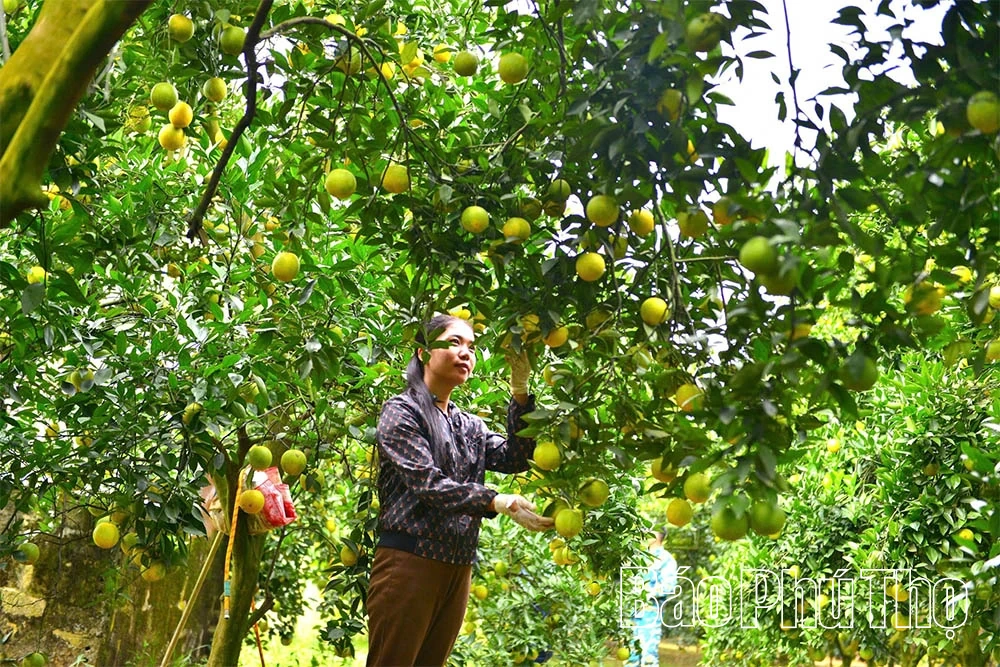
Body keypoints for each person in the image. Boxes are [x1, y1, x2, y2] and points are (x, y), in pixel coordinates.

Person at [365, 313, 554, 666]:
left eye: (471, 346)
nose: (466, 352)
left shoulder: (468, 424)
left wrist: (521, 390)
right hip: (410, 564)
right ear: (423, 352)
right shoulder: (402, 412)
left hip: (457, 566)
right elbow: (428, 483)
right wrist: (496, 500)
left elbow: (517, 457)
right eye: (454, 342)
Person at [629, 529, 678, 667]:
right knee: (630, 655)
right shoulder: (639, 556)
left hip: (650, 614)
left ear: (657, 536)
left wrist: (646, 592)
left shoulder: (666, 559)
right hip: (633, 612)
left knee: (648, 655)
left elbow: (669, 586)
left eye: (649, 531)